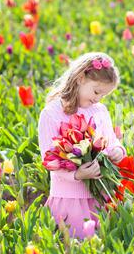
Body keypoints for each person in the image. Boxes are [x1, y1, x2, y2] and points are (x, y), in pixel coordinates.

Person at [38, 52, 126, 239]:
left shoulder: (99, 110)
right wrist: (77, 174)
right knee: (75, 247)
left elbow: (110, 140)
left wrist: (117, 150)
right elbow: (49, 160)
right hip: (69, 199)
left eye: (104, 95)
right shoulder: (51, 114)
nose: (98, 99)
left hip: (99, 195)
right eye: (96, 92)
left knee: (104, 247)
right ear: (80, 78)